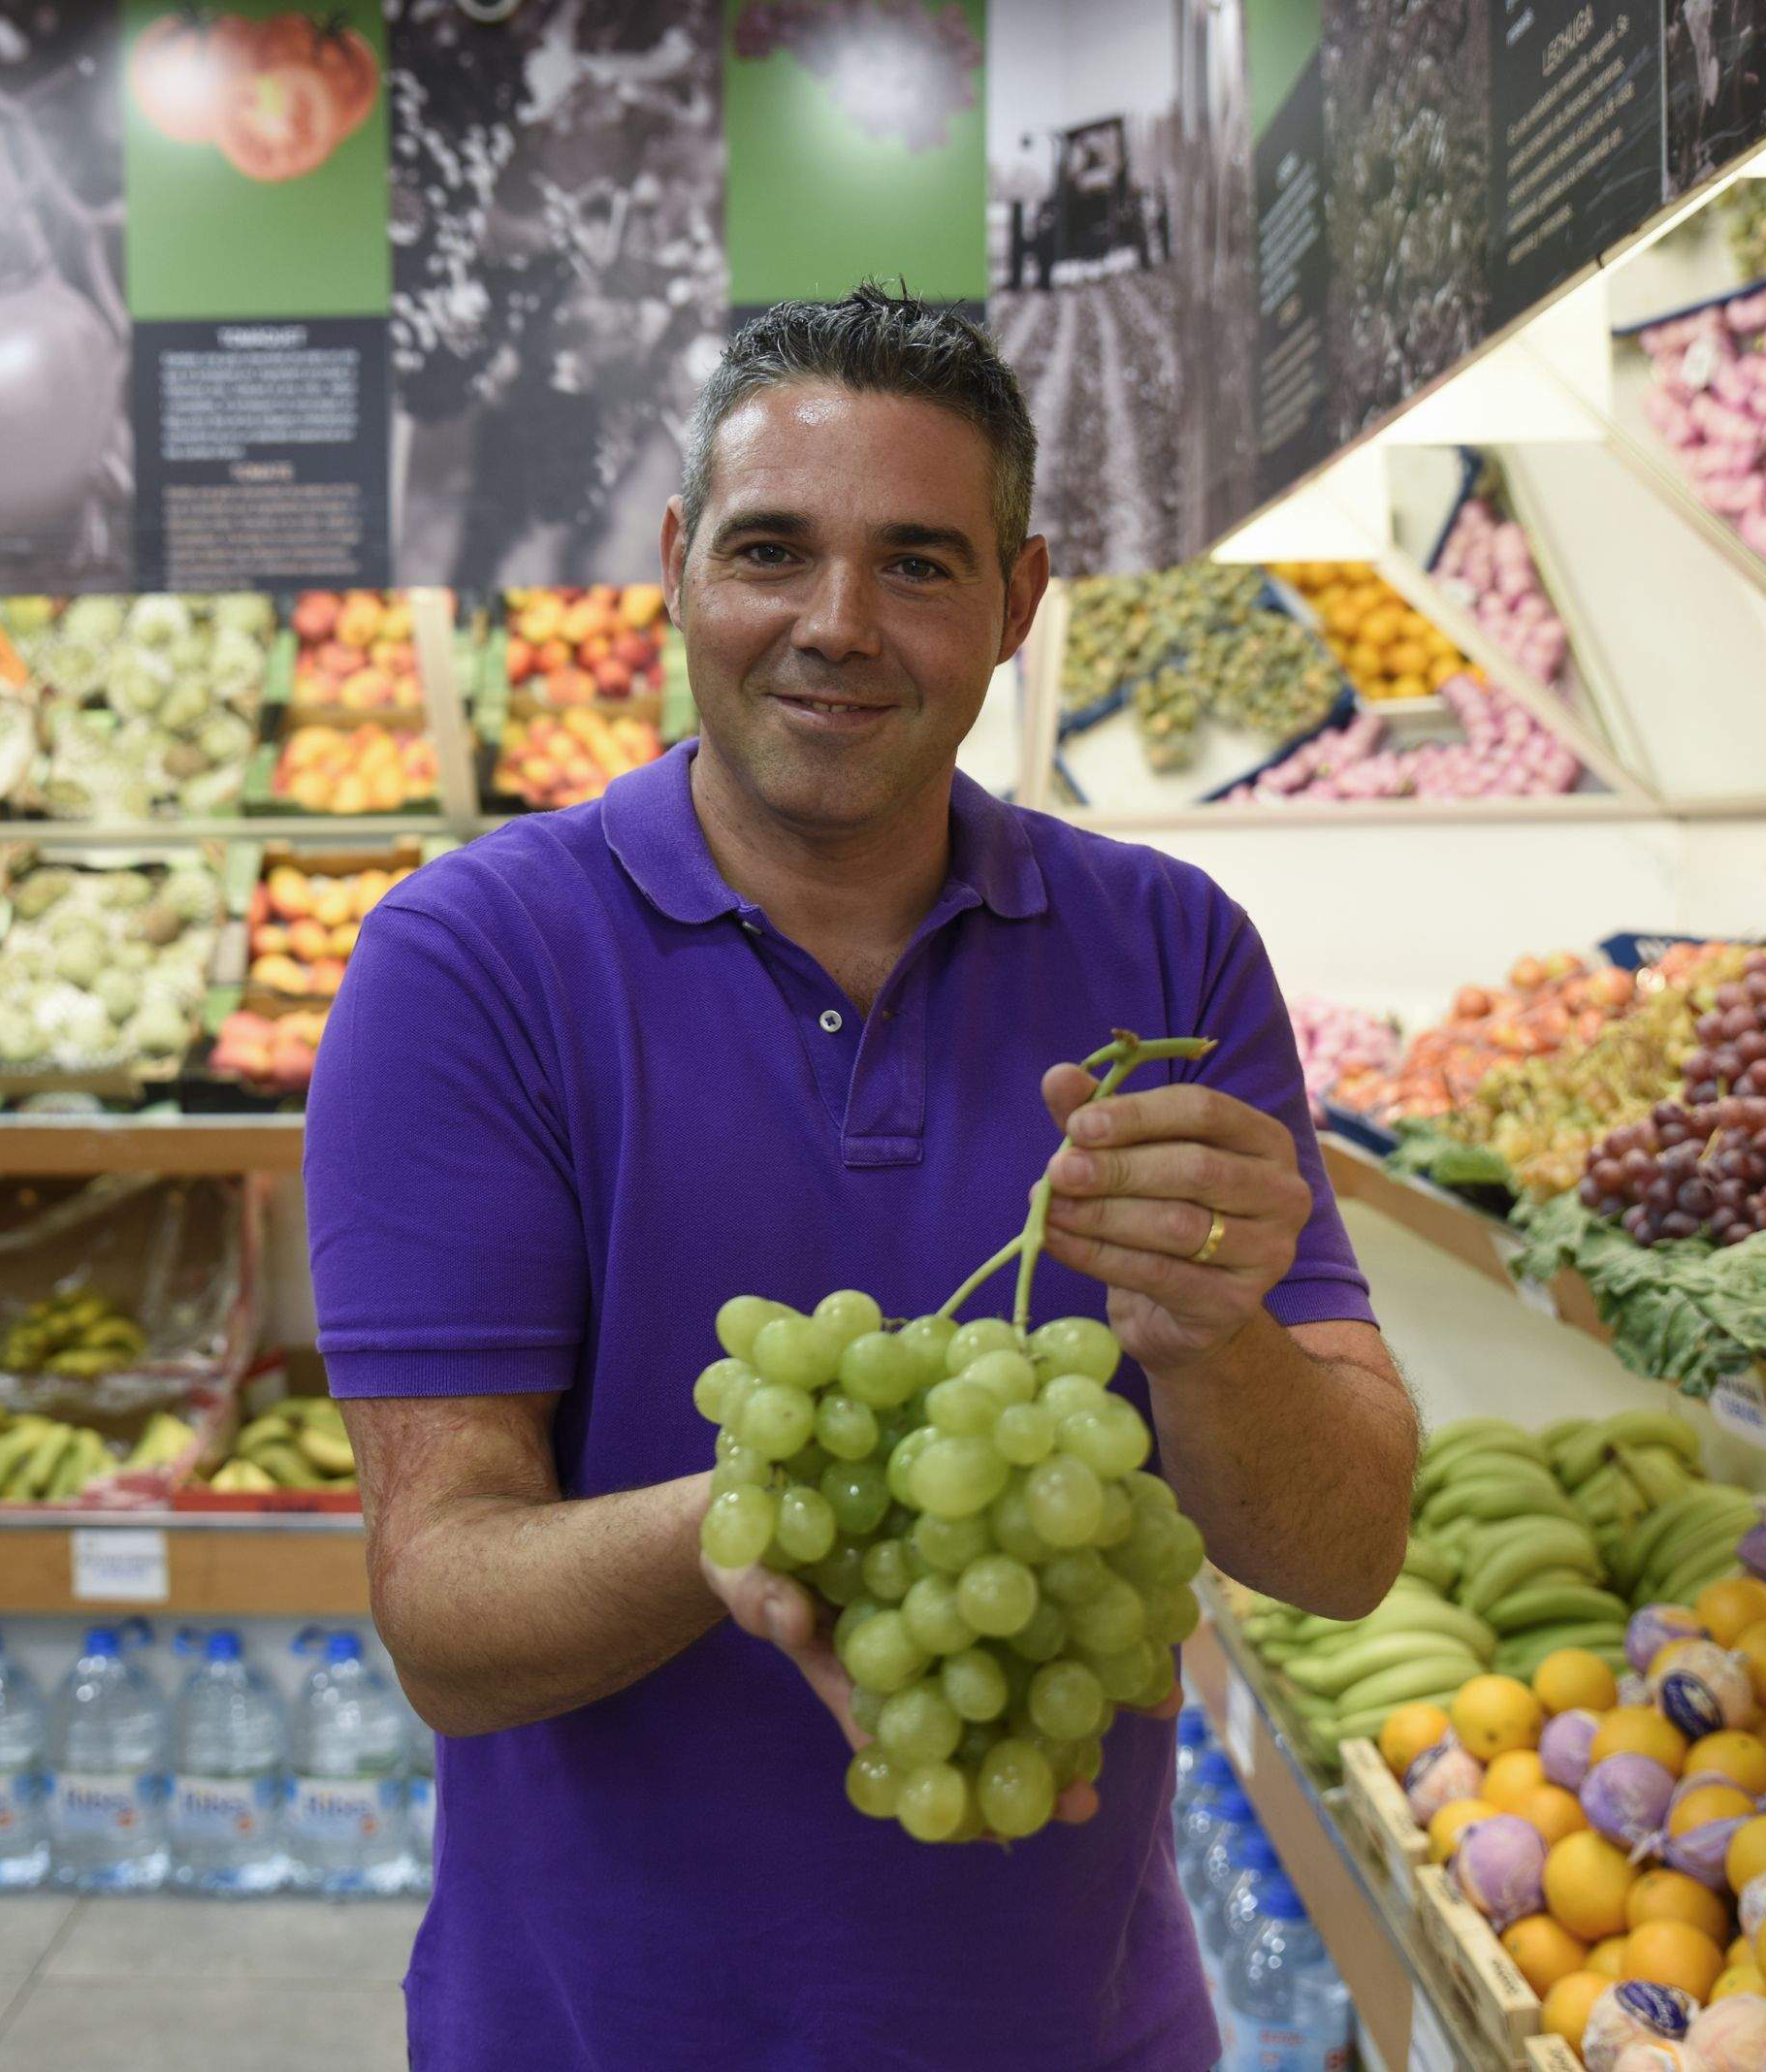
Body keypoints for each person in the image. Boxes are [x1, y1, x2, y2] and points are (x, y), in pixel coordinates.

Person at [305, 284, 1417, 2070]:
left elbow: (1345, 1553)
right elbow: (442, 1616)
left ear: (1021, 599)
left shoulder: (1171, 957)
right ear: (677, 565)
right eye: (771, 551)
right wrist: (768, 1515)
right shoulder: (474, 964)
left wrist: (1216, 1339)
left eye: (917, 563)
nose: (836, 626)